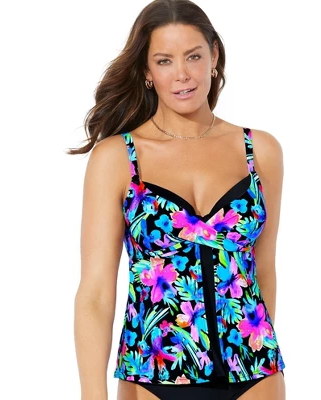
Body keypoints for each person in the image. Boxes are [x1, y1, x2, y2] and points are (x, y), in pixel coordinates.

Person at [71, 1, 286, 399]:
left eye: (193, 56)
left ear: (214, 56)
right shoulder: (118, 158)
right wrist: (92, 395)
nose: (182, 74)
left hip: (256, 374)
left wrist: (258, 352)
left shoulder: (259, 151)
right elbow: (96, 293)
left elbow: (264, 268)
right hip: (153, 374)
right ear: (147, 71)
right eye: (164, 61)